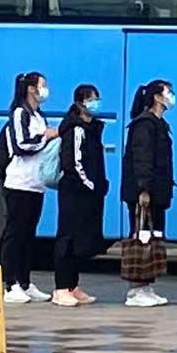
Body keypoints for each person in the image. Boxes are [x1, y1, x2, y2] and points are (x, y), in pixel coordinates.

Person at [0, 71, 55, 306]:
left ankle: (25, 281)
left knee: (28, 235)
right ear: (31, 88)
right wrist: (46, 136)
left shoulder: (38, 115)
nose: (45, 90)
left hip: (36, 185)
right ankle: (10, 284)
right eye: (43, 85)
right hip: (19, 184)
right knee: (14, 234)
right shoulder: (19, 113)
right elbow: (21, 145)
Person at [50, 83, 106, 308]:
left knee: (80, 238)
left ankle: (73, 286)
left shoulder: (93, 128)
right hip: (74, 192)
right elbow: (73, 162)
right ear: (79, 103)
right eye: (91, 100)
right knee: (68, 238)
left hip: (89, 193)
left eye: (96, 99)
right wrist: (89, 184)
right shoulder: (75, 129)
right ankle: (61, 288)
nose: (95, 104)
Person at [122, 78, 175, 308]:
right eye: (168, 92)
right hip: (145, 193)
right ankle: (136, 288)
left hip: (158, 191)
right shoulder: (144, 124)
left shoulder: (159, 124)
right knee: (141, 237)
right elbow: (142, 159)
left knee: (153, 238)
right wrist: (143, 189)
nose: (171, 97)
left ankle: (146, 285)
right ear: (157, 97)